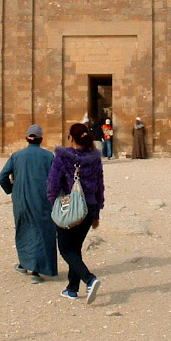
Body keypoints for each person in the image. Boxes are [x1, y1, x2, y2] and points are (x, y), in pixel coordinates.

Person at [47, 123, 105, 304]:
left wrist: (54, 204)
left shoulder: (62, 157)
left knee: (65, 249)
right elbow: (100, 186)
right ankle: (72, 289)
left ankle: (89, 279)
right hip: (90, 207)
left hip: (70, 207)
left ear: (71, 138)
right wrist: (97, 214)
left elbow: (54, 184)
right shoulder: (95, 158)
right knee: (75, 248)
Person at [0, 125, 57, 284]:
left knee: (24, 230)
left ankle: (24, 264)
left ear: (26, 139)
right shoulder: (48, 156)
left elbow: (2, 177)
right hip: (42, 200)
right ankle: (36, 271)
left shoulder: (17, 156)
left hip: (21, 199)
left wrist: (11, 189)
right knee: (42, 232)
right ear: (41, 139)